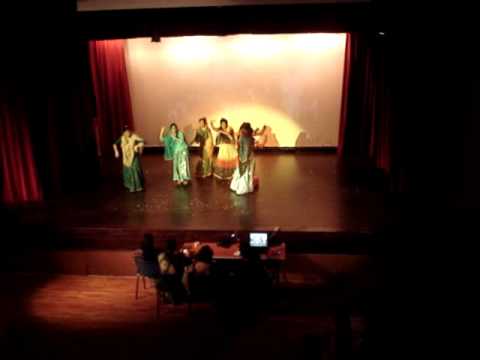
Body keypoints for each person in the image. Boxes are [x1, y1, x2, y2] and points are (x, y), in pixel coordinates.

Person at [113, 127, 145, 192]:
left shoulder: (134, 137)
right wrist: (116, 151)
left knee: (135, 170)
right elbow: (114, 144)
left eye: (129, 132)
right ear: (123, 133)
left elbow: (142, 141)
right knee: (128, 170)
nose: (128, 133)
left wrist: (137, 146)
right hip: (126, 157)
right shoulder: (122, 138)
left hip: (134, 156)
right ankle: (130, 185)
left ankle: (137, 186)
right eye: (126, 132)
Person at [230, 122, 256, 195]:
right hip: (245, 156)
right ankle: (240, 186)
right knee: (243, 171)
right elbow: (241, 148)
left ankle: (242, 188)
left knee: (245, 171)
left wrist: (244, 159)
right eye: (242, 130)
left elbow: (247, 149)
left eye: (244, 130)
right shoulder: (246, 138)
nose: (242, 131)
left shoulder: (247, 138)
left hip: (247, 157)